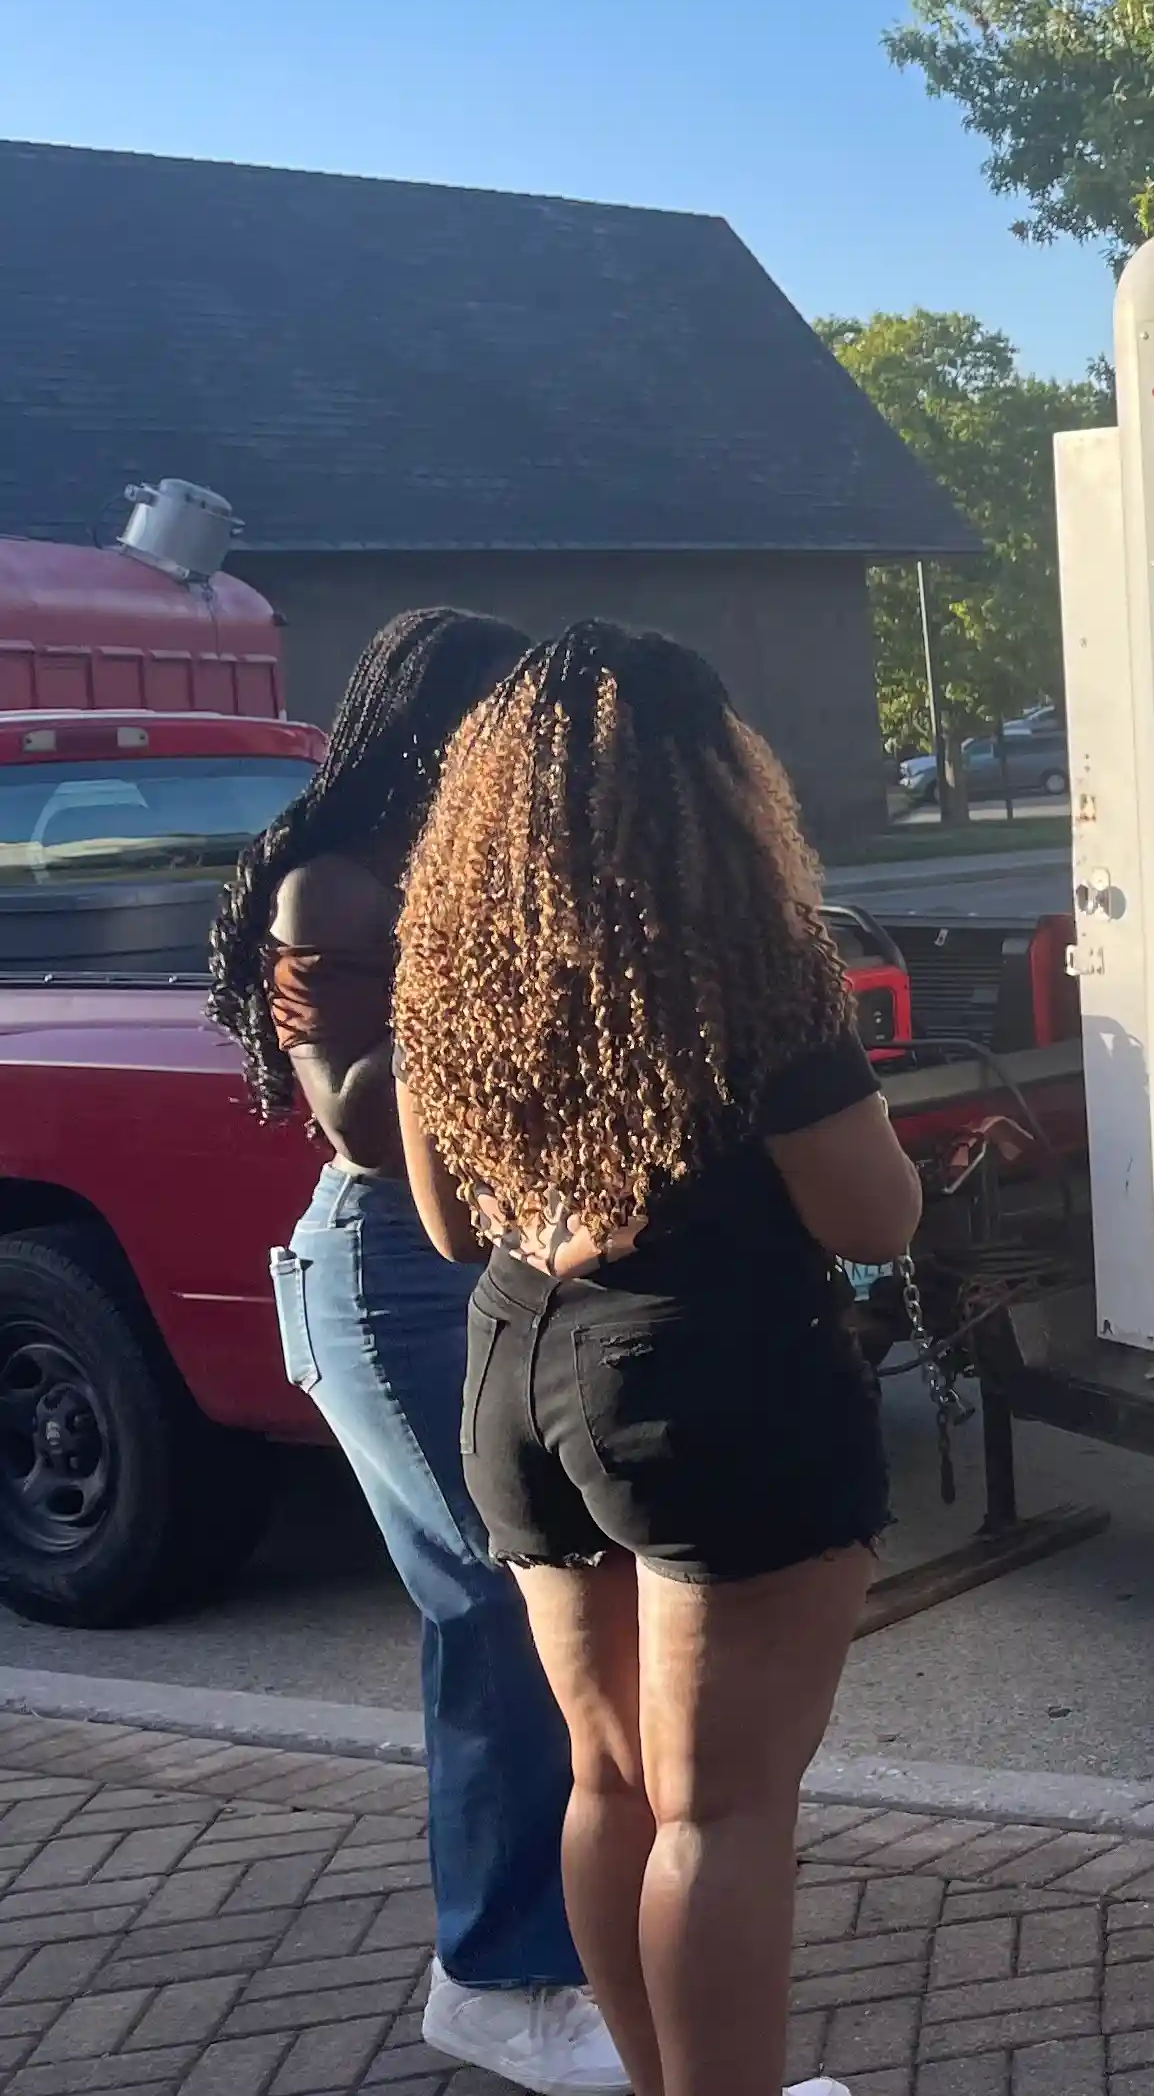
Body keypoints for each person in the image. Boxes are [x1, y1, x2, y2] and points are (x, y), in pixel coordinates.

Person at [390, 622, 923, 2096]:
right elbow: (869, 1210)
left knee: (609, 1779)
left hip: (516, 1360)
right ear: (714, 784)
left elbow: (444, 1222)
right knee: (726, 1814)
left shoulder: (450, 970)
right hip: (713, 1384)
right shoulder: (759, 973)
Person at [206, 610, 629, 2096]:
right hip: (387, 1279)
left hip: (503, 1254)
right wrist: (472, 937)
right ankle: (503, 1978)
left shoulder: (509, 878)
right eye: (517, 733)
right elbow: (364, 1124)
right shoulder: (337, 885)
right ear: (443, 736)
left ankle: (582, 1948)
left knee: (574, 1612)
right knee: (503, 1614)